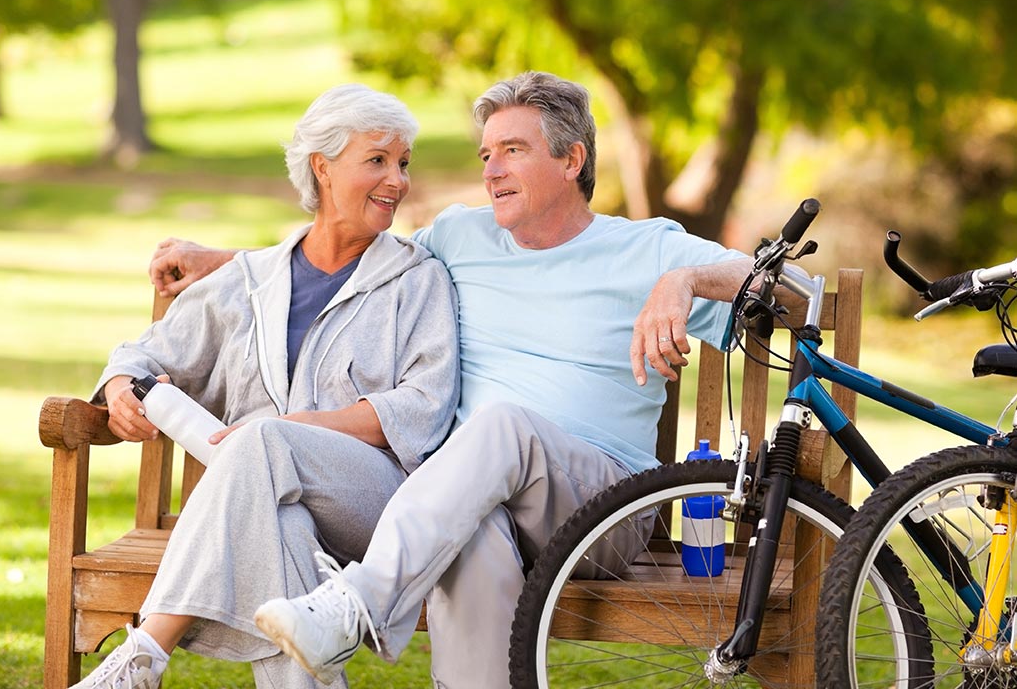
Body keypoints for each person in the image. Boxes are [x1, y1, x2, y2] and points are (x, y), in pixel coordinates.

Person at [150, 71, 751, 688]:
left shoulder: (645, 249)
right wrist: (224, 262)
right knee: (474, 532)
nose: (491, 170)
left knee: (503, 426)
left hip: (602, 511)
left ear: (572, 159)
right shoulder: (463, 237)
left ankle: (357, 604)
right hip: (474, 498)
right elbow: (353, 247)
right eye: (486, 154)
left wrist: (685, 282)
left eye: (512, 151)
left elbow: (784, 288)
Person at [71, 83, 460, 689]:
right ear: (322, 168)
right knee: (281, 527)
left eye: (403, 163)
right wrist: (121, 385)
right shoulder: (248, 281)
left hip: (375, 506)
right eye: (377, 160)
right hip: (270, 508)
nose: (398, 180)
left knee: (261, 444)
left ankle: (146, 651)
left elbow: (423, 408)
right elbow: (143, 354)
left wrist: (291, 430)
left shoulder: (417, 280)